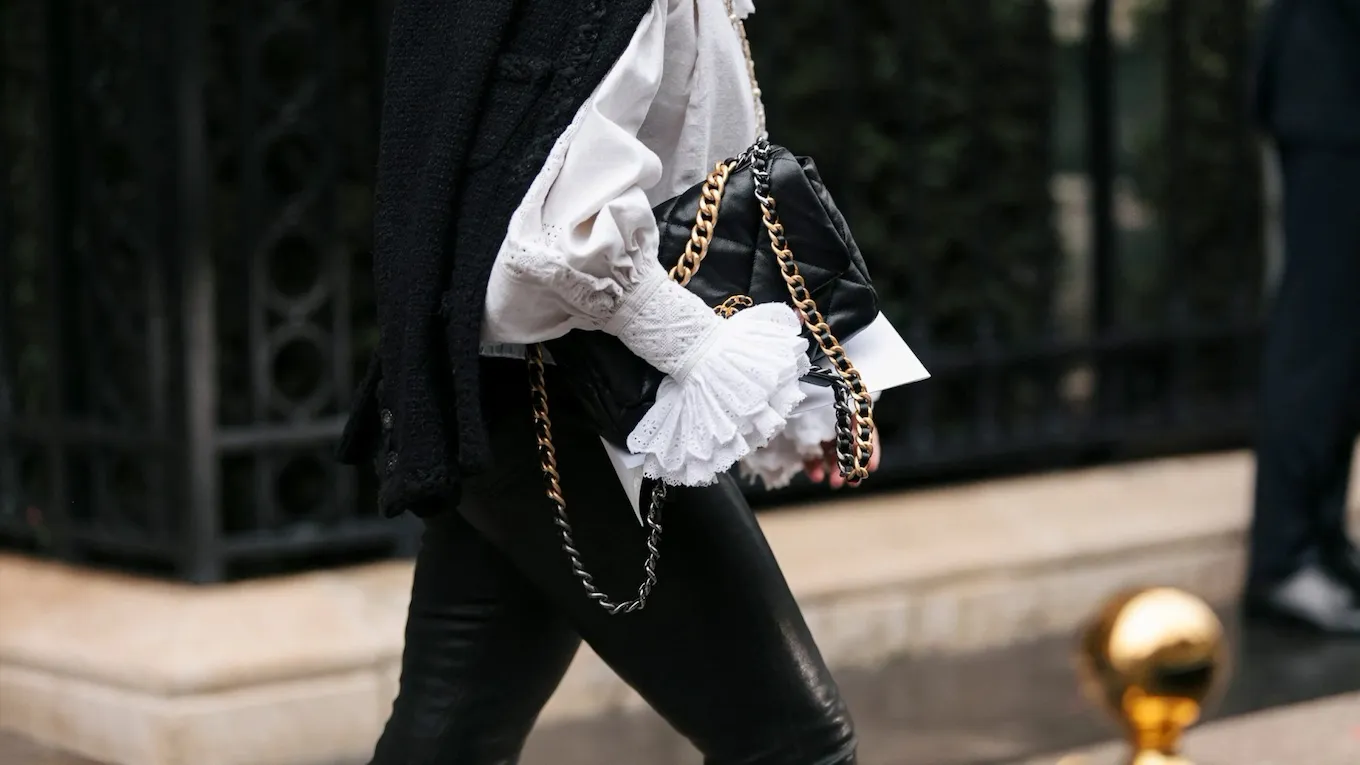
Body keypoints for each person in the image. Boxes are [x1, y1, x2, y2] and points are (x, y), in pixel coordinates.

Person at [337, 0, 875, 761]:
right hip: (569, 398)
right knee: (795, 745)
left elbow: (698, 161)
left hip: (509, 393)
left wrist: (783, 387)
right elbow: (546, 244)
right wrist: (705, 354)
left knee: (452, 736)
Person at [1244, 0, 1360, 633]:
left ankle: (1320, 538)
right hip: (1329, 95)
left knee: (1344, 347)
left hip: (1336, 92)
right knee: (1319, 336)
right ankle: (1284, 560)